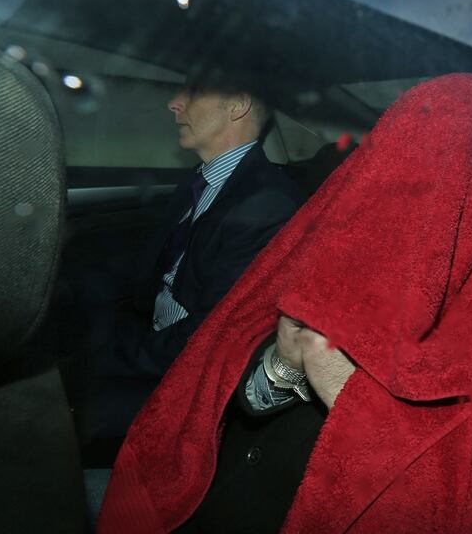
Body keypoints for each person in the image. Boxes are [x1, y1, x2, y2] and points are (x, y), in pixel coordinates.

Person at [97, 74, 472, 533]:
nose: (392, 211)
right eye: (388, 179)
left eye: (426, 182)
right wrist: (284, 368)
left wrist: (351, 398)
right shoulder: (358, 255)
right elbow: (237, 376)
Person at [70, 76, 304, 440]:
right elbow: (152, 266)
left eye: (192, 92)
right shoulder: (199, 181)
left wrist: (106, 353)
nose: (174, 103)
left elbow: (209, 334)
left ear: (237, 105)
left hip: (189, 372)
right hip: (155, 336)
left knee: (58, 413)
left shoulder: (266, 205)